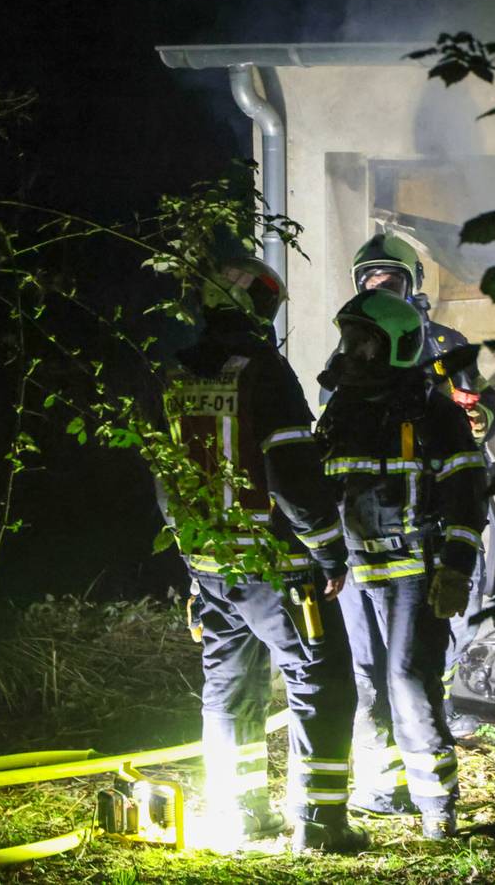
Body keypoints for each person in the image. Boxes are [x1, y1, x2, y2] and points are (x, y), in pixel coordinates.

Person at [157, 257, 367, 853]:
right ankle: (321, 826)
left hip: (211, 564)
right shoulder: (265, 372)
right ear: (259, 307)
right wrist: (328, 552)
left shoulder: (177, 374)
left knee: (229, 687)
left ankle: (238, 814)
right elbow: (292, 474)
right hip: (277, 568)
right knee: (323, 681)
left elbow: (166, 480)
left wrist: (192, 565)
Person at [315, 288, 488, 839]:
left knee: (410, 682)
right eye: (350, 340)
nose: (353, 352)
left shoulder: (434, 411)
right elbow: (322, 487)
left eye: (364, 342)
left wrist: (457, 565)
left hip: (417, 572)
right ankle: (382, 791)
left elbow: (467, 495)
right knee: (367, 681)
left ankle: (437, 809)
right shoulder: (341, 408)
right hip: (353, 572)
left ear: (395, 346)